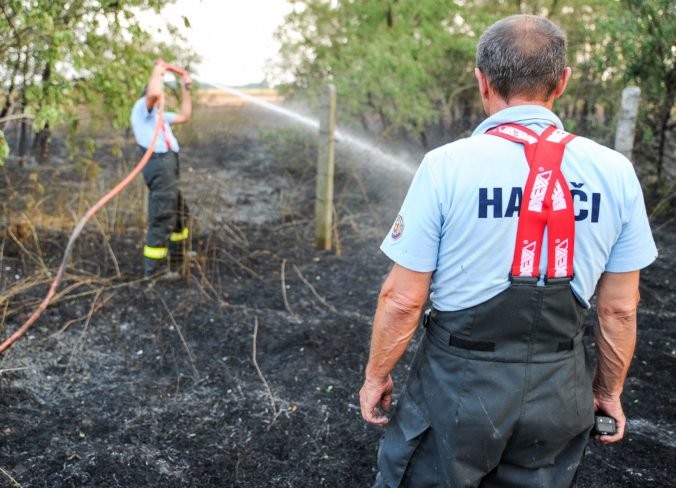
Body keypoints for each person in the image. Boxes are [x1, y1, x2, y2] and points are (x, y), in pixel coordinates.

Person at [359, 14, 657, 488]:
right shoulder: (615, 171)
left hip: (456, 388)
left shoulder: (446, 166)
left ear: (482, 80)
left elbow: (402, 299)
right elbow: (619, 309)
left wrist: (377, 376)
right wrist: (607, 391)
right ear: (562, 82)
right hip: (560, 391)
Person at [131, 61, 193, 278]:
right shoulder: (142, 109)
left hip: (170, 164)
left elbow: (185, 116)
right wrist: (158, 70)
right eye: (160, 94)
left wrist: (185, 89)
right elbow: (153, 94)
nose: (162, 98)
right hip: (158, 165)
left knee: (179, 212)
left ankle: (178, 255)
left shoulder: (159, 117)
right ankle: (155, 271)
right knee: (163, 214)